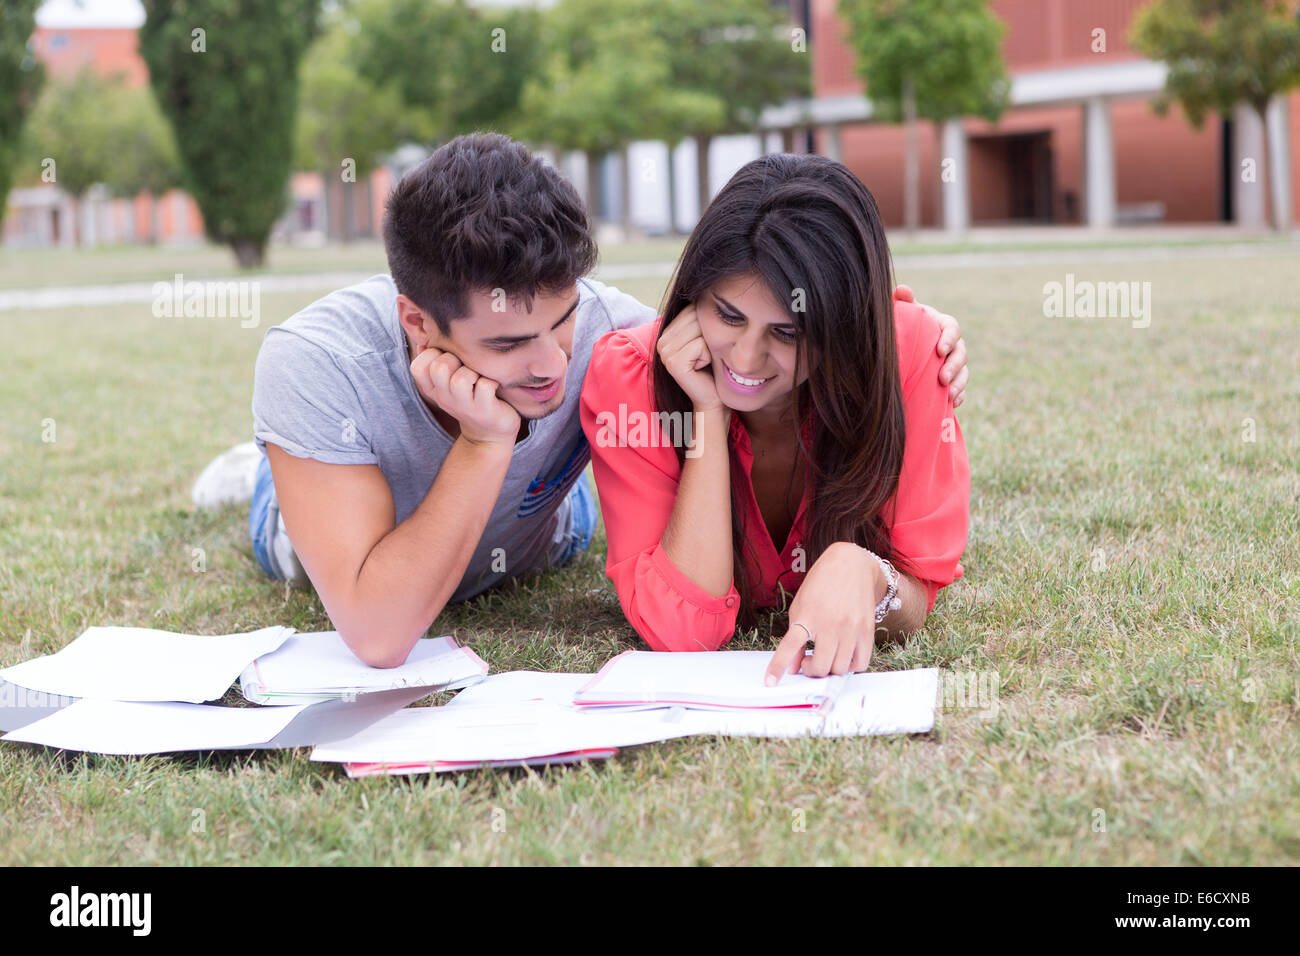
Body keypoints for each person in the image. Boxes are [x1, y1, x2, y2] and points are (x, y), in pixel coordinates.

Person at [191, 133, 970, 668]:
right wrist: (483, 441)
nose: (550, 368)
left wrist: (899, 329)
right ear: (418, 324)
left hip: (548, 527)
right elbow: (379, 634)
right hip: (348, 528)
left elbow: (799, 317)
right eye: (506, 345)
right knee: (284, 525)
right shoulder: (317, 362)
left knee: (578, 507)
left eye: (562, 323)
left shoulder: (618, 340)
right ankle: (260, 465)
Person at [579, 153, 970, 684]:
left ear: (845, 325)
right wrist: (707, 417)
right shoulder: (631, 379)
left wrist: (872, 576)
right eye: (727, 315)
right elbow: (682, 634)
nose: (743, 360)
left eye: (786, 333)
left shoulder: (913, 355)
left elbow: (919, 588)